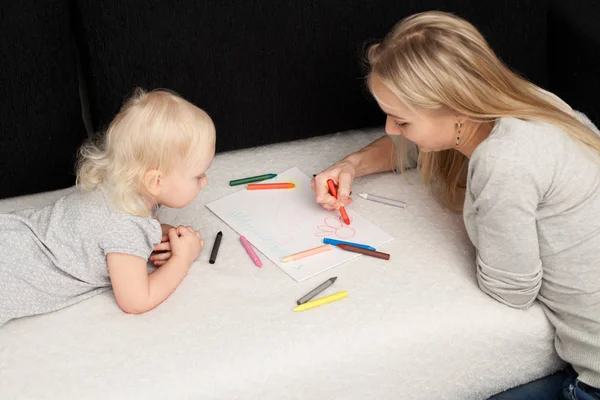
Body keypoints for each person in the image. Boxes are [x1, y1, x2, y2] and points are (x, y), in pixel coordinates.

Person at [312, 11, 600, 400]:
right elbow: (419, 146)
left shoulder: (504, 162)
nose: (389, 129)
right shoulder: (532, 104)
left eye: (401, 120)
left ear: (456, 109)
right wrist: (351, 165)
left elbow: (512, 291)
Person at [0, 88, 215, 326]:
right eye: (198, 176)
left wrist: (159, 233)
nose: (205, 181)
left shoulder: (116, 185)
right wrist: (182, 258)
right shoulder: (126, 225)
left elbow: (107, 235)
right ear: (155, 181)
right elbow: (136, 300)